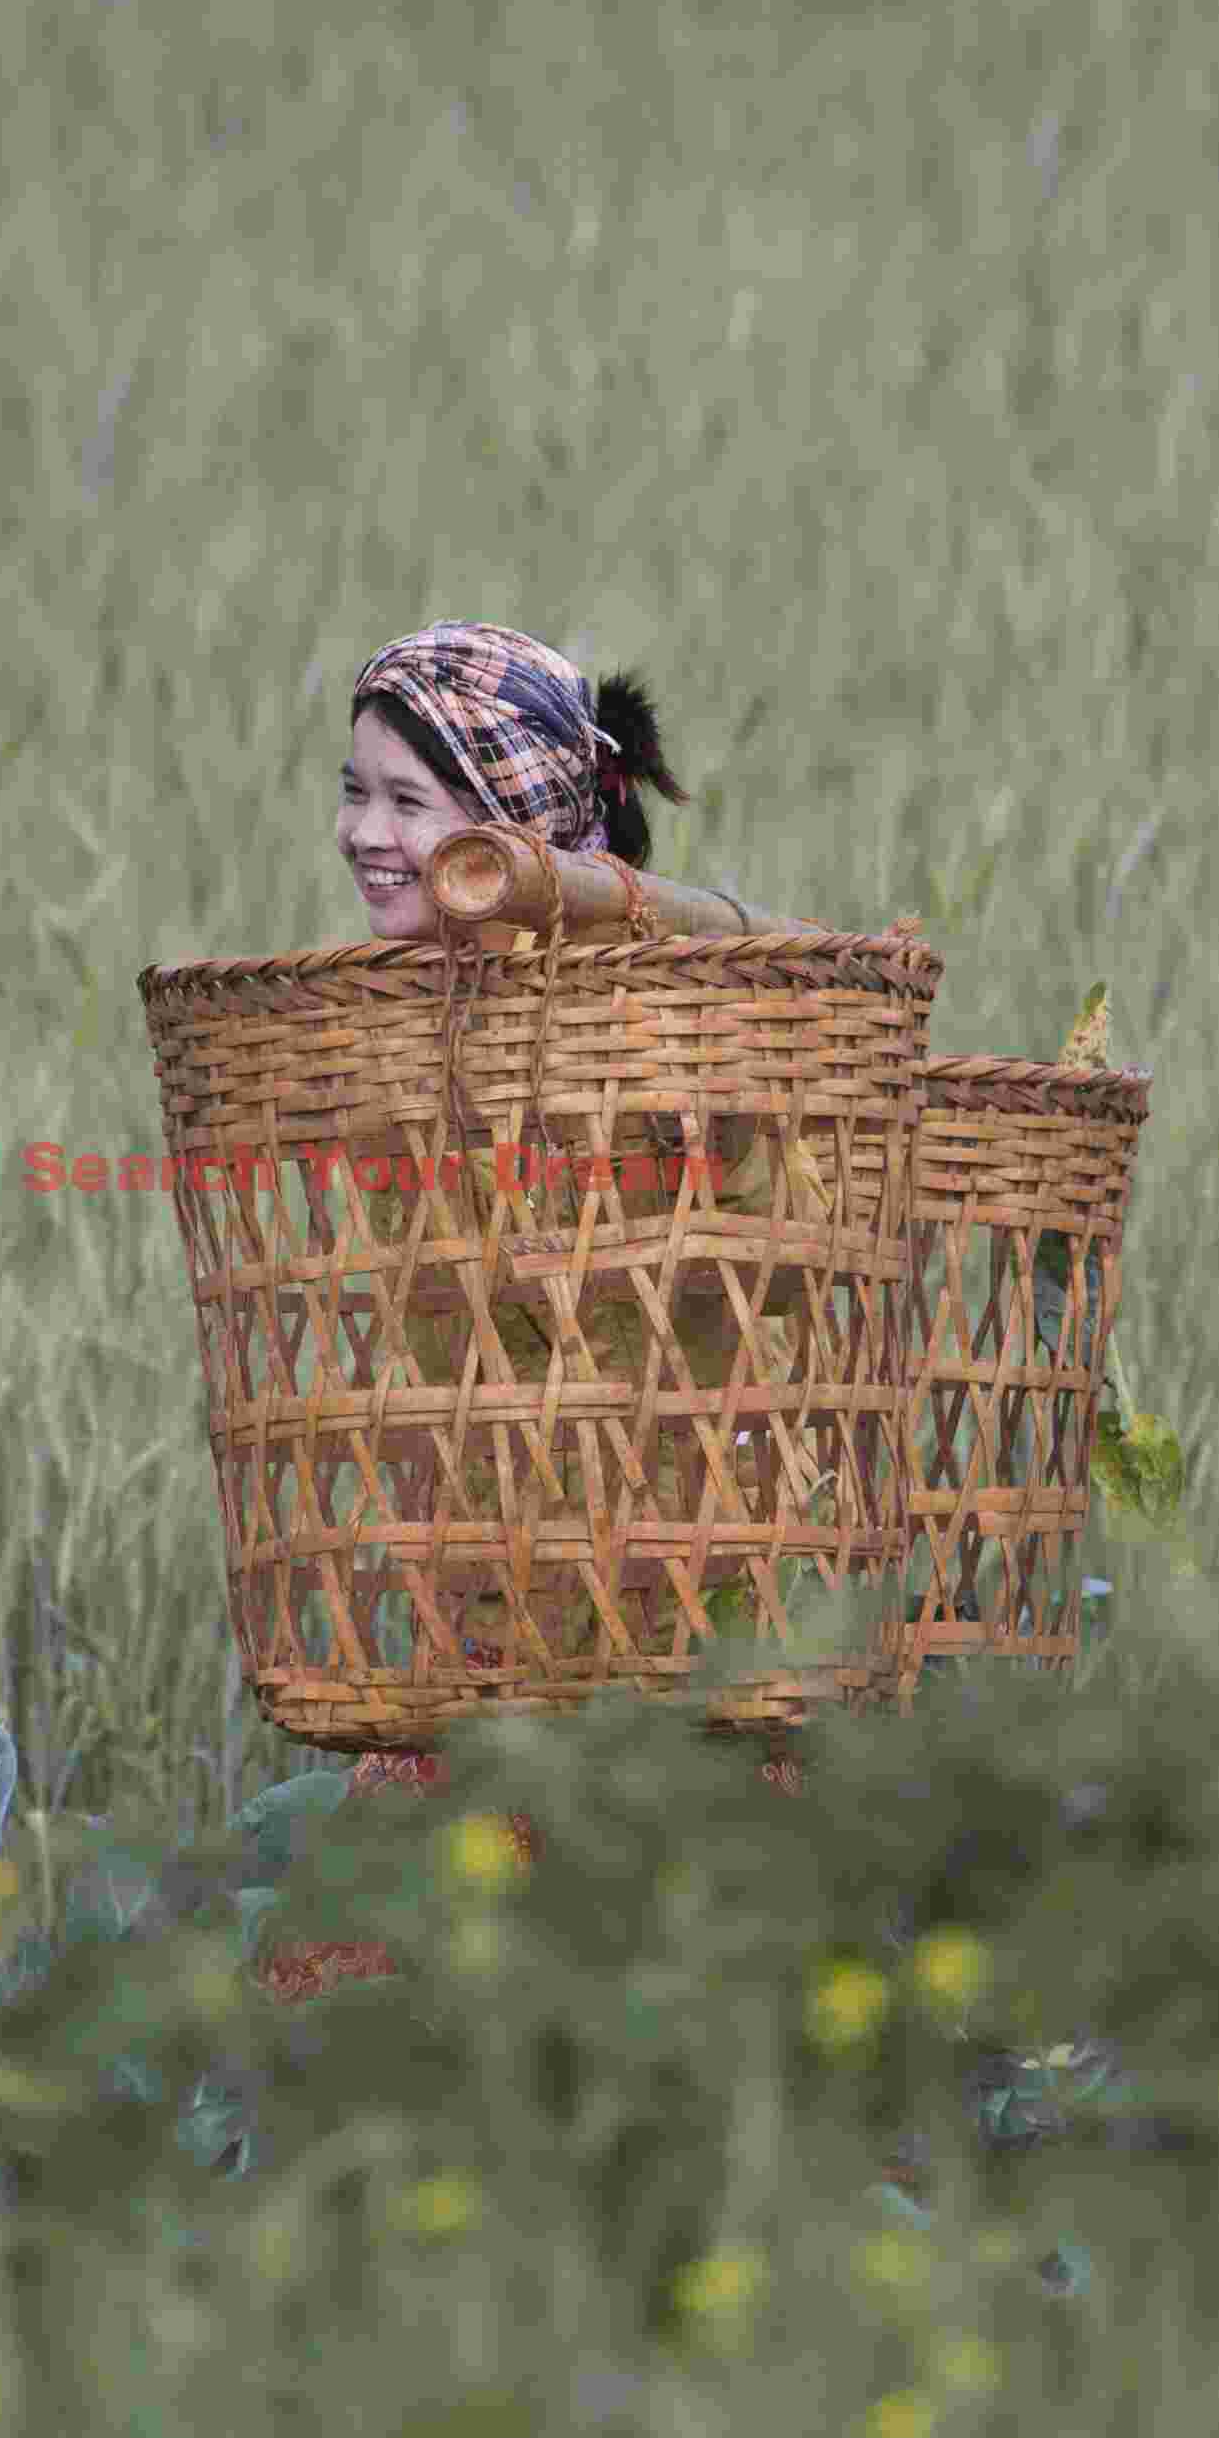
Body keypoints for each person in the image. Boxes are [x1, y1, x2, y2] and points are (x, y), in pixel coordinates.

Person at [334, 619, 839, 1660]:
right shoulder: (393, 1041)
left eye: (407, 802)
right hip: (497, 1598)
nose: (362, 832)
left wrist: (718, 1114)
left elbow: (802, 1260)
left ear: (507, 838)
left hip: (696, 1601)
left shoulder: (656, 1015)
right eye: (355, 790)